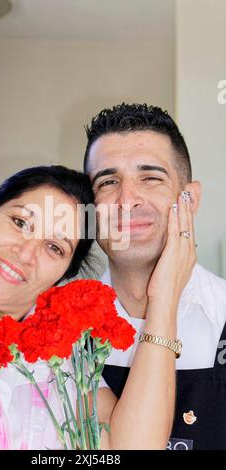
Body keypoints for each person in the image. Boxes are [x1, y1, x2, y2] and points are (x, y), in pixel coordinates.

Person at [0, 164, 195, 450]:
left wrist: (164, 300)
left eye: (54, 247)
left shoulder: (64, 362)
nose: (26, 253)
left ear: (64, 274)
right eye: (20, 222)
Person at [84, 103, 226, 450]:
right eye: (108, 181)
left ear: (189, 199)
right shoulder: (58, 332)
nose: (127, 200)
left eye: (150, 178)